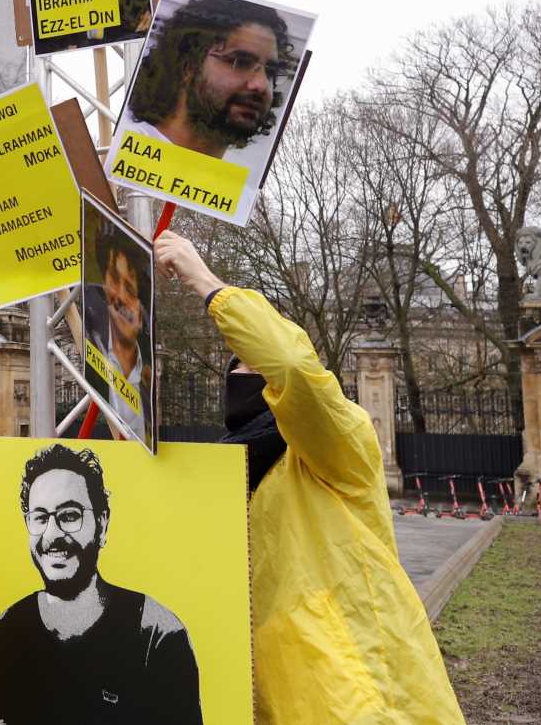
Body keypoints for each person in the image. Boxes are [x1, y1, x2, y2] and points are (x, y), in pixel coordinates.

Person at [153, 229, 464, 723]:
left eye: (256, 364)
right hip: (275, 700)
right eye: (237, 366)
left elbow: (293, 367)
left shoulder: (336, 440)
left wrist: (206, 282)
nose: (245, 375)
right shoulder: (230, 470)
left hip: (362, 699)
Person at [0, 444, 200, 724]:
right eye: (39, 518)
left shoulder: (157, 635)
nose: (51, 535)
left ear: (102, 524)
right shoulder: (5, 632)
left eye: (69, 515)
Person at [121, 0, 294, 161]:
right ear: (189, 67)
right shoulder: (121, 159)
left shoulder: (235, 188)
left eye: (271, 72)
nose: (262, 85)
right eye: (240, 62)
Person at [82, 227, 150, 437]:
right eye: (114, 279)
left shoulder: (150, 372)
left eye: (130, 288)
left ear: (142, 307)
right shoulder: (89, 348)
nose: (120, 296)